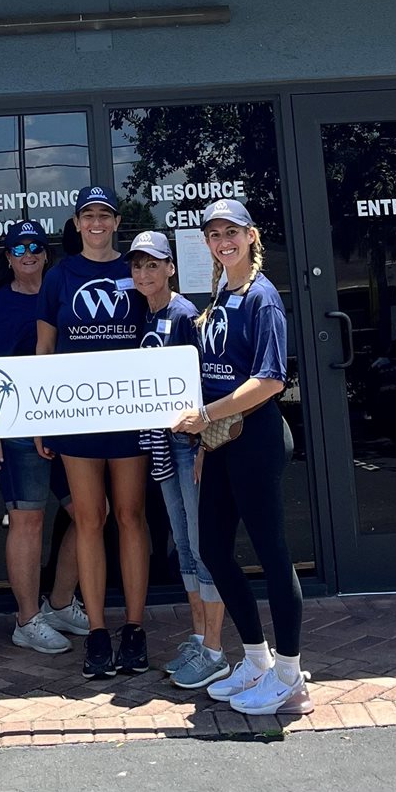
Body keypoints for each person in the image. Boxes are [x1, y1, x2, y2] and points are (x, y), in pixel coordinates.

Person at [173, 198, 310, 719]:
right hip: (222, 442)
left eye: (231, 232)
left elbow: (270, 380)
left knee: (273, 555)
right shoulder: (221, 294)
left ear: (251, 235)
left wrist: (205, 417)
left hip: (256, 439)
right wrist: (206, 440)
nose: (223, 241)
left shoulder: (262, 297)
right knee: (212, 548)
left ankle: (291, 677)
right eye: (214, 234)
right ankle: (256, 659)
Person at [37, 184, 149, 681]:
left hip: (129, 413)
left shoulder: (135, 270)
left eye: (105, 215)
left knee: (130, 516)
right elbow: (45, 351)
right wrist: (41, 417)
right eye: (88, 216)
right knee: (88, 519)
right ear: (77, 223)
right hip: (76, 415)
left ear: (117, 222)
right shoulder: (59, 277)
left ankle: (135, 629)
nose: (97, 223)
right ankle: (99, 632)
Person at [127, 231, 229, 691]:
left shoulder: (185, 314)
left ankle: (215, 649)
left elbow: (205, 382)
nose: (145, 273)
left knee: (202, 541)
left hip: (189, 445)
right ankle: (199, 635)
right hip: (162, 443)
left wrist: (205, 445)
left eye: (154, 264)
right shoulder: (145, 315)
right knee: (183, 543)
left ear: (171, 268)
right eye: (138, 265)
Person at [0, 220, 86, 654]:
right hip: (18, 427)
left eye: (35, 247)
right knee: (28, 520)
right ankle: (26, 619)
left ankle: (58, 602)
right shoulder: (0, 305)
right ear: (7, 257)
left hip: (65, 423)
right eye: (19, 248)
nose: (28, 254)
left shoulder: (60, 293)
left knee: (90, 513)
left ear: (46, 253)